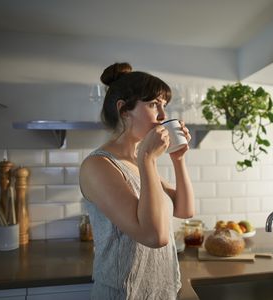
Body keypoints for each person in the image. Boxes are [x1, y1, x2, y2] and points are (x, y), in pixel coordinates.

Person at [79, 62, 195, 299]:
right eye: (154, 105)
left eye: (164, 106)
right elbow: (155, 237)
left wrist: (178, 158)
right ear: (124, 110)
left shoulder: (137, 161)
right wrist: (148, 160)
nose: (163, 116)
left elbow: (185, 210)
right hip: (123, 293)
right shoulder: (98, 166)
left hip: (159, 291)